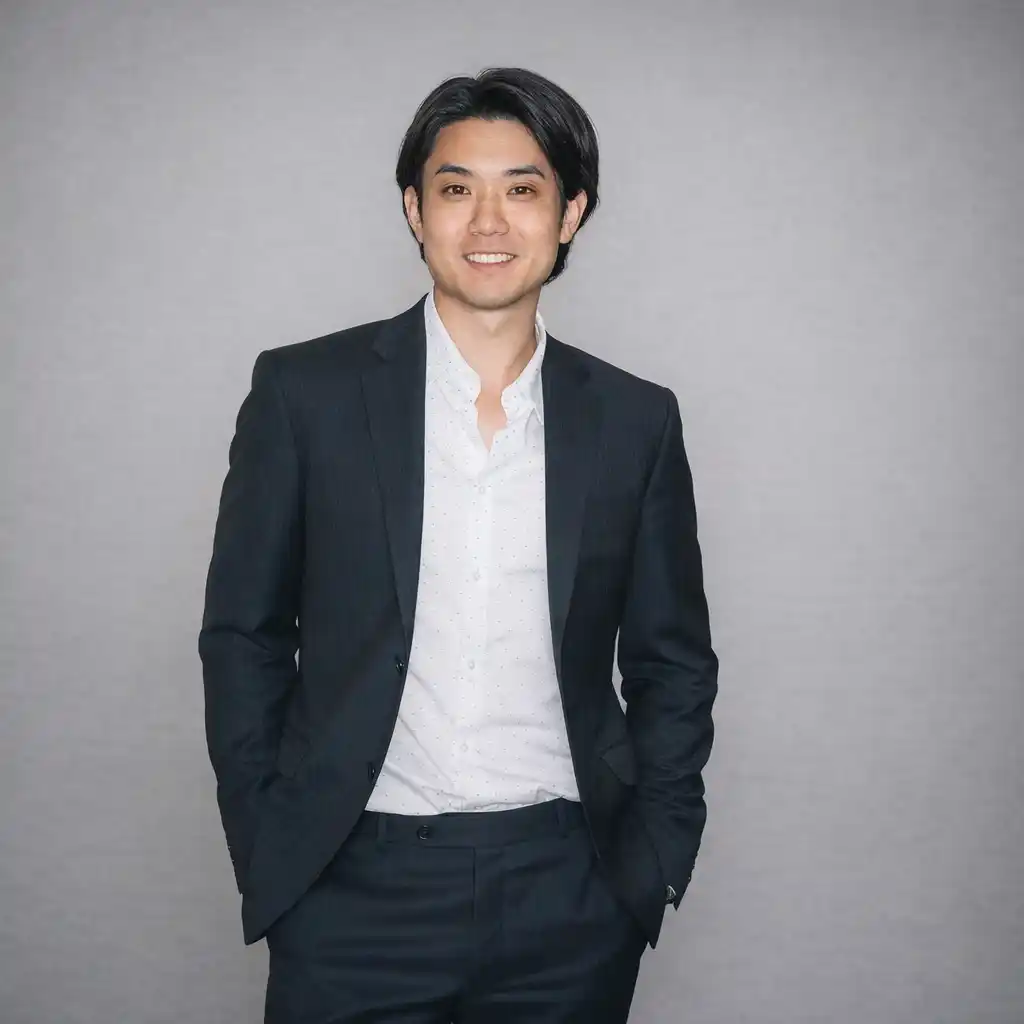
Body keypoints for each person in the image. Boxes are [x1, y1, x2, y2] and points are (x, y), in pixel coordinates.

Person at [199, 66, 718, 1024]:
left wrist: (656, 854)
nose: (488, 221)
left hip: (571, 891)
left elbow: (673, 660)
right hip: (352, 887)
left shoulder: (635, 421)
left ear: (570, 213)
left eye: (522, 189)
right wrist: (269, 840)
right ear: (414, 208)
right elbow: (244, 635)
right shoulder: (304, 395)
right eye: (455, 188)